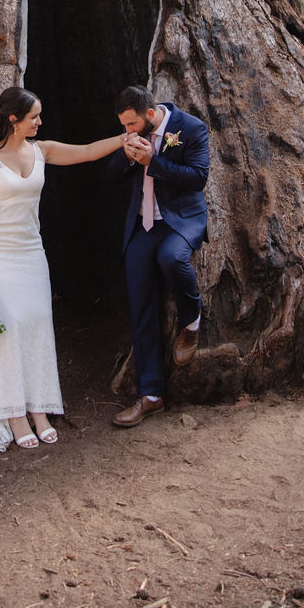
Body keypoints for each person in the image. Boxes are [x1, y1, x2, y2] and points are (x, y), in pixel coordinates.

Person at [0, 87, 123, 456]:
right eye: (34, 117)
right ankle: (14, 416)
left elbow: (89, 152)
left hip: (31, 253)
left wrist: (125, 138)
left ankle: (39, 410)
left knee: (38, 323)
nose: (40, 122)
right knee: (10, 326)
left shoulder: (41, 150)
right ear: (13, 119)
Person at [108, 84, 209, 428]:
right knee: (140, 301)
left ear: (150, 115)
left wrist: (155, 162)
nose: (127, 131)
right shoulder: (132, 133)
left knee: (171, 259)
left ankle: (191, 320)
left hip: (180, 221)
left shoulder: (191, 128)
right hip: (142, 225)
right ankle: (151, 394)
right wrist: (126, 154)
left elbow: (198, 179)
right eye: (123, 126)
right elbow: (110, 177)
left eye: (132, 125)